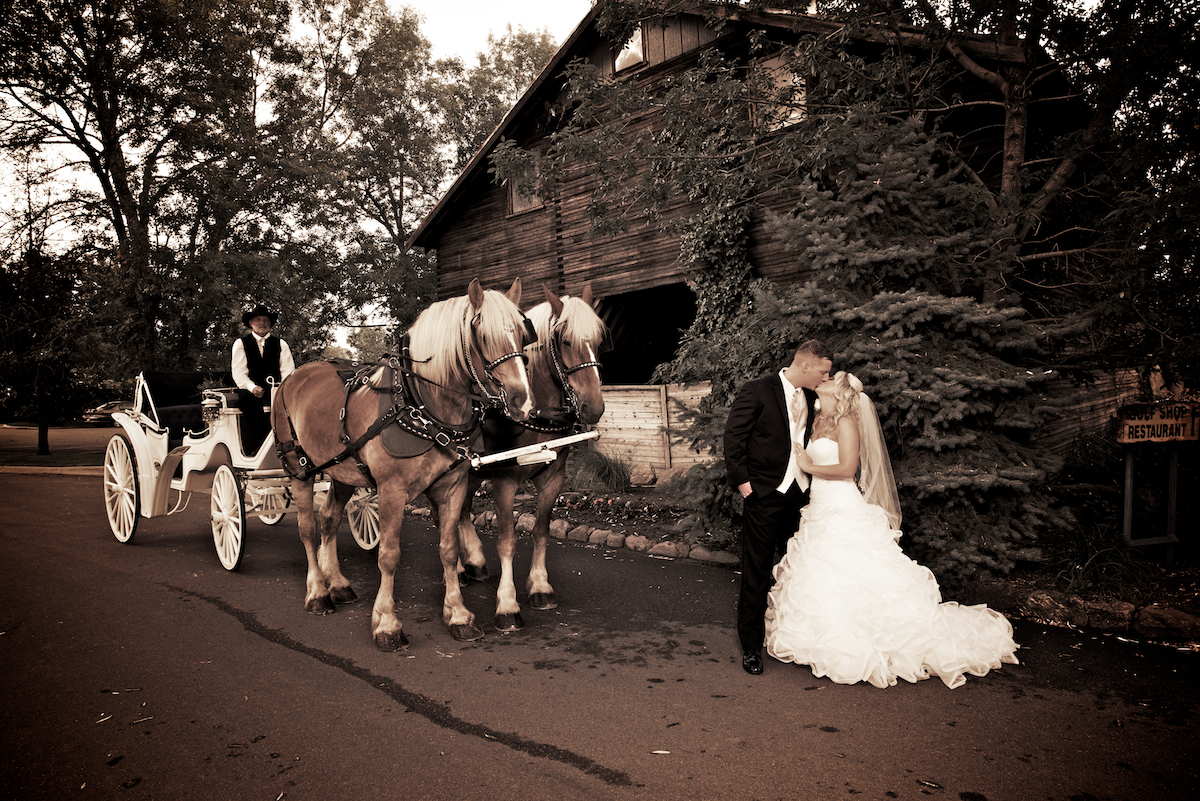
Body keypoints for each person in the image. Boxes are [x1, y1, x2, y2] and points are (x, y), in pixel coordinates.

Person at [765, 371, 1019, 689]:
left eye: (830, 380)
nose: (823, 380)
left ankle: (866, 641)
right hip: (819, 507)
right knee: (823, 571)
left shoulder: (846, 423)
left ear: (839, 391)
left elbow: (847, 468)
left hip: (843, 506)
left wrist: (809, 466)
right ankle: (816, 636)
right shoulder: (820, 419)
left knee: (853, 571)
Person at [724, 340, 834, 675]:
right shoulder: (757, 390)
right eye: (823, 371)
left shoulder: (814, 397)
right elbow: (734, 435)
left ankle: (792, 637)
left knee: (797, 569)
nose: (826, 377)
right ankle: (751, 647)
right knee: (756, 571)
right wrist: (742, 480)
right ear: (805, 366)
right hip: (764, 493)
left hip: (800, 495)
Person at [231, 304, 295, 454]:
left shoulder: (281, 344)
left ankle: (291, 442)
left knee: (293, 401)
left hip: (276, 388)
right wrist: (252, 387)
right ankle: (262, 446)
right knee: (246, 401)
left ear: (270, 323)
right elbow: (239, 372)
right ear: (251, 323)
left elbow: (288, 371)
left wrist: (281, 388)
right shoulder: (241, 343)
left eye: (265, 320)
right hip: (250, 389)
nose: (262, 323)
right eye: (258, 320)